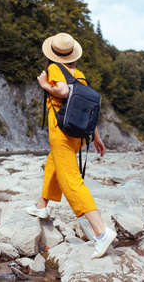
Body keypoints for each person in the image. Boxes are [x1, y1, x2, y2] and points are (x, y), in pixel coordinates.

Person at [26, 32, 117, 259]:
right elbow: (88, 109)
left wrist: (45, 84)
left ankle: (101, 232)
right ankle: (42, 205)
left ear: (54, 54)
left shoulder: (55, 69)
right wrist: (95, 136)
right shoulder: (81, 75)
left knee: (72, 181)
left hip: (61, 132)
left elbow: (64, 91)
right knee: (53, 163)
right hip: (77, 134)